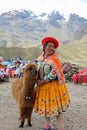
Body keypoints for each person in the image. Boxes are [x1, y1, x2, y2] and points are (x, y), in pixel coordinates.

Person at [34, 36, 70, 130]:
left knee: (57, 110)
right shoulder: (40, 57)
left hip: (53, 87)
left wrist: (43, 81)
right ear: (44, 47)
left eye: (53, 46)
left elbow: (54, 73)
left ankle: (60, 128)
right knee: (46, 108)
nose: (51, 48)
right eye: (49, 46)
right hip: (42, 87)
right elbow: (36, 69)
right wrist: (36, 79)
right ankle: (47, 126)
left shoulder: (55, 59)